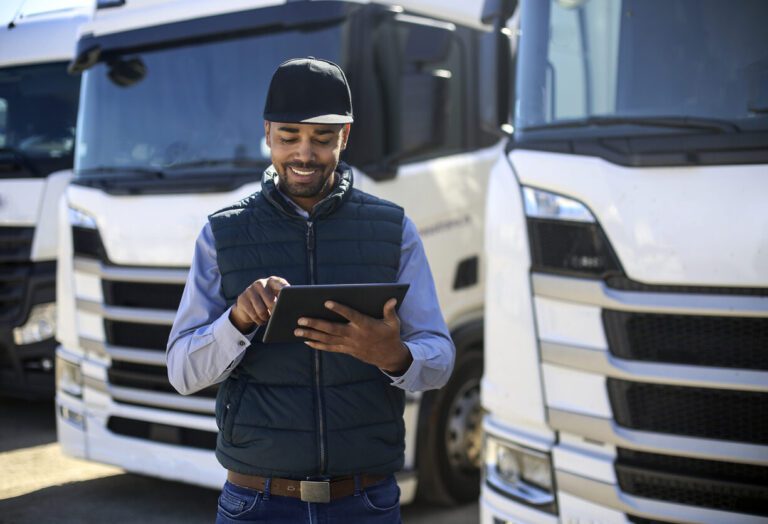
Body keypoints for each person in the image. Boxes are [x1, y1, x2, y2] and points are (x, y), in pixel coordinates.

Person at [166, 57, 455, 523]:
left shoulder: (394, 229)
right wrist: (237, 321)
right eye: (288, 138)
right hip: (255, 503)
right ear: (267, 134)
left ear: (345, 136)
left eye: (322, 139)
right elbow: (182, 372)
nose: (304, 154)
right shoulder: (221, 234)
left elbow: (439, 357)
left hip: (366, 502)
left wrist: (393, 356)